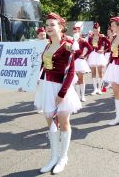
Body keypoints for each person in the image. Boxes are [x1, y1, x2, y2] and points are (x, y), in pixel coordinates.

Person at [34, 12, 82, 174]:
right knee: (50, 123)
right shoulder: (47, 46)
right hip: (46, 87)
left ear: (61, 27)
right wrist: (36, 79)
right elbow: (44, 66)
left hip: (60, 88)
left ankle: (63, 157)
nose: (48, 27)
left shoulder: (67, 46)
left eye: (52, 24)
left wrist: (62, 93)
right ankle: (53, 157)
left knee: (63, 122)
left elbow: (71, 72)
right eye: (47, 24)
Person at [87, 22, 111, 95]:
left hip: (99, 55)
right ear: (93, 30)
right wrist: (87, 55)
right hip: (92, 55)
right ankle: (95, 89)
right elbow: (88, 47)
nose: (96, 31)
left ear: (99, 29)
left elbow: (110, 44)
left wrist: (104, 50)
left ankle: (100, 89)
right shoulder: (90, 37)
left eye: (97, 30)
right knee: (93, 72)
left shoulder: (102, 37)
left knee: (100, 72)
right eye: (94, 30)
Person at [72, 26, 93, 102]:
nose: (75, 33)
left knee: (81, 78)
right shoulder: (71, 40)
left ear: (79, 32)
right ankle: (77, 96)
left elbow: (90, 49)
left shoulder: (83, 40)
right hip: (73, 61)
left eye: (76, 32)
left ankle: (83, 96)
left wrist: (85, 55)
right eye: (74, 32)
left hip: (80, 62)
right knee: (76, 79)